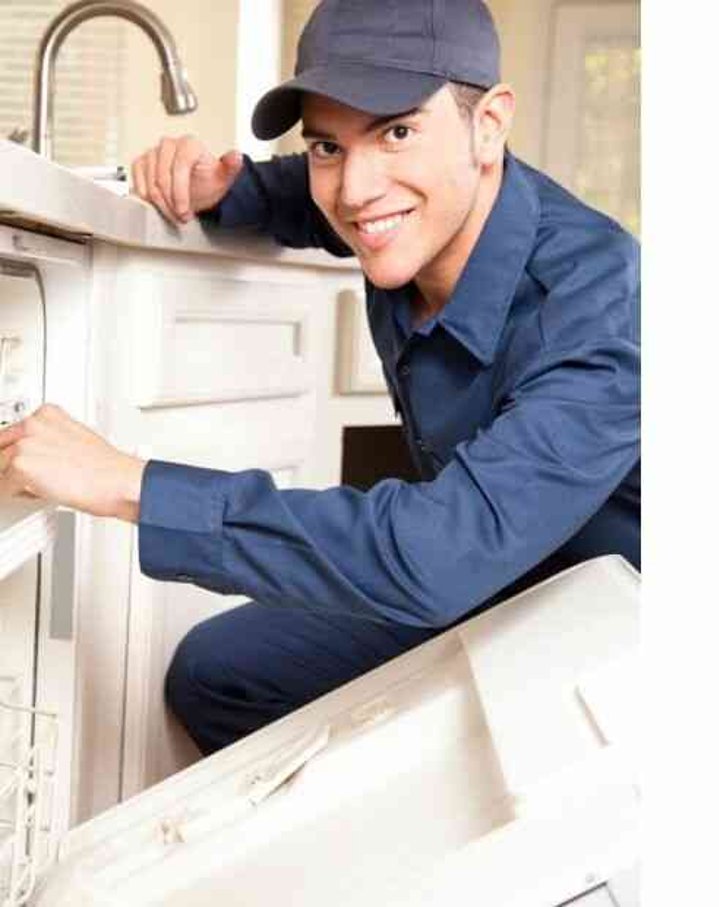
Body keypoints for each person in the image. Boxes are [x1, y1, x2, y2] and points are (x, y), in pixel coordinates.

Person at [0, 0, 639, 755]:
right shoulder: (405, 207)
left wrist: (127, 482)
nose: (358, 189)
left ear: (489, 125)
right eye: (330, 145)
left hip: (619, 612)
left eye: (397, 131)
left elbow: (439, 554)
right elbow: (305, 196)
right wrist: (221, 187)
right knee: (216, 674)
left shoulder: (600, 304)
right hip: (490, 569)